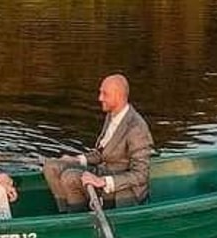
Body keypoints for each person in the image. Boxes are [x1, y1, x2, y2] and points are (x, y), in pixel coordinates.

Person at [41, 73, 154, 212]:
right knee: (51, 166)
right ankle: (65, 213)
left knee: (69, 177)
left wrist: (103, 181)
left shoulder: (137, 129)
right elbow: (102, 153)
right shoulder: (112, 115)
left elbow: (141, 175)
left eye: (104, 94)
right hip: (102, 170)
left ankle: (78, 217)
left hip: (121, 189)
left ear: (118, 96)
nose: (100, 98)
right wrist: (77, 160)